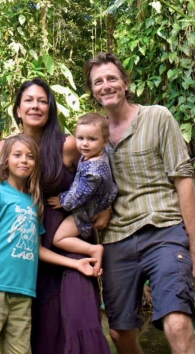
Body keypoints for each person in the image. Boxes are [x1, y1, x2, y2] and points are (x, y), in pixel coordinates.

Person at [0, 78, 111, 353]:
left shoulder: (68, 144)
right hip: (30, 251)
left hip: (71, 240)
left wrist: (106, 206)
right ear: (18, 109)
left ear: (50, 108)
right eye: (29, 100)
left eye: (42, 100)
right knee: (42, 331)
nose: (35, 106)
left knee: (81, 317)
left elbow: (103, 168)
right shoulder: (10, 148)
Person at [84, 52, 195, 354]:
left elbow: (183, 180)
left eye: (112, 78)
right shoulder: (92, 136)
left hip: (163, 232)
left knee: (177, 323)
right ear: (92, 91)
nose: (106, 85)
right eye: (98, 82)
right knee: (120, 333)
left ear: (125, 83)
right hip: (116, 240)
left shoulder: (157, 116)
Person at [48, 113, 118, 273]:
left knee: (59, 238)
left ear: (105, 142)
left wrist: (62, 200)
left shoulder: (93, 173)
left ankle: (93, 249)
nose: (84, 144)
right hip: (98, 198)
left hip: (88, 209)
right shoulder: (95, 154)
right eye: (80, 138)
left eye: (92, 139)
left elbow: (78, 196)